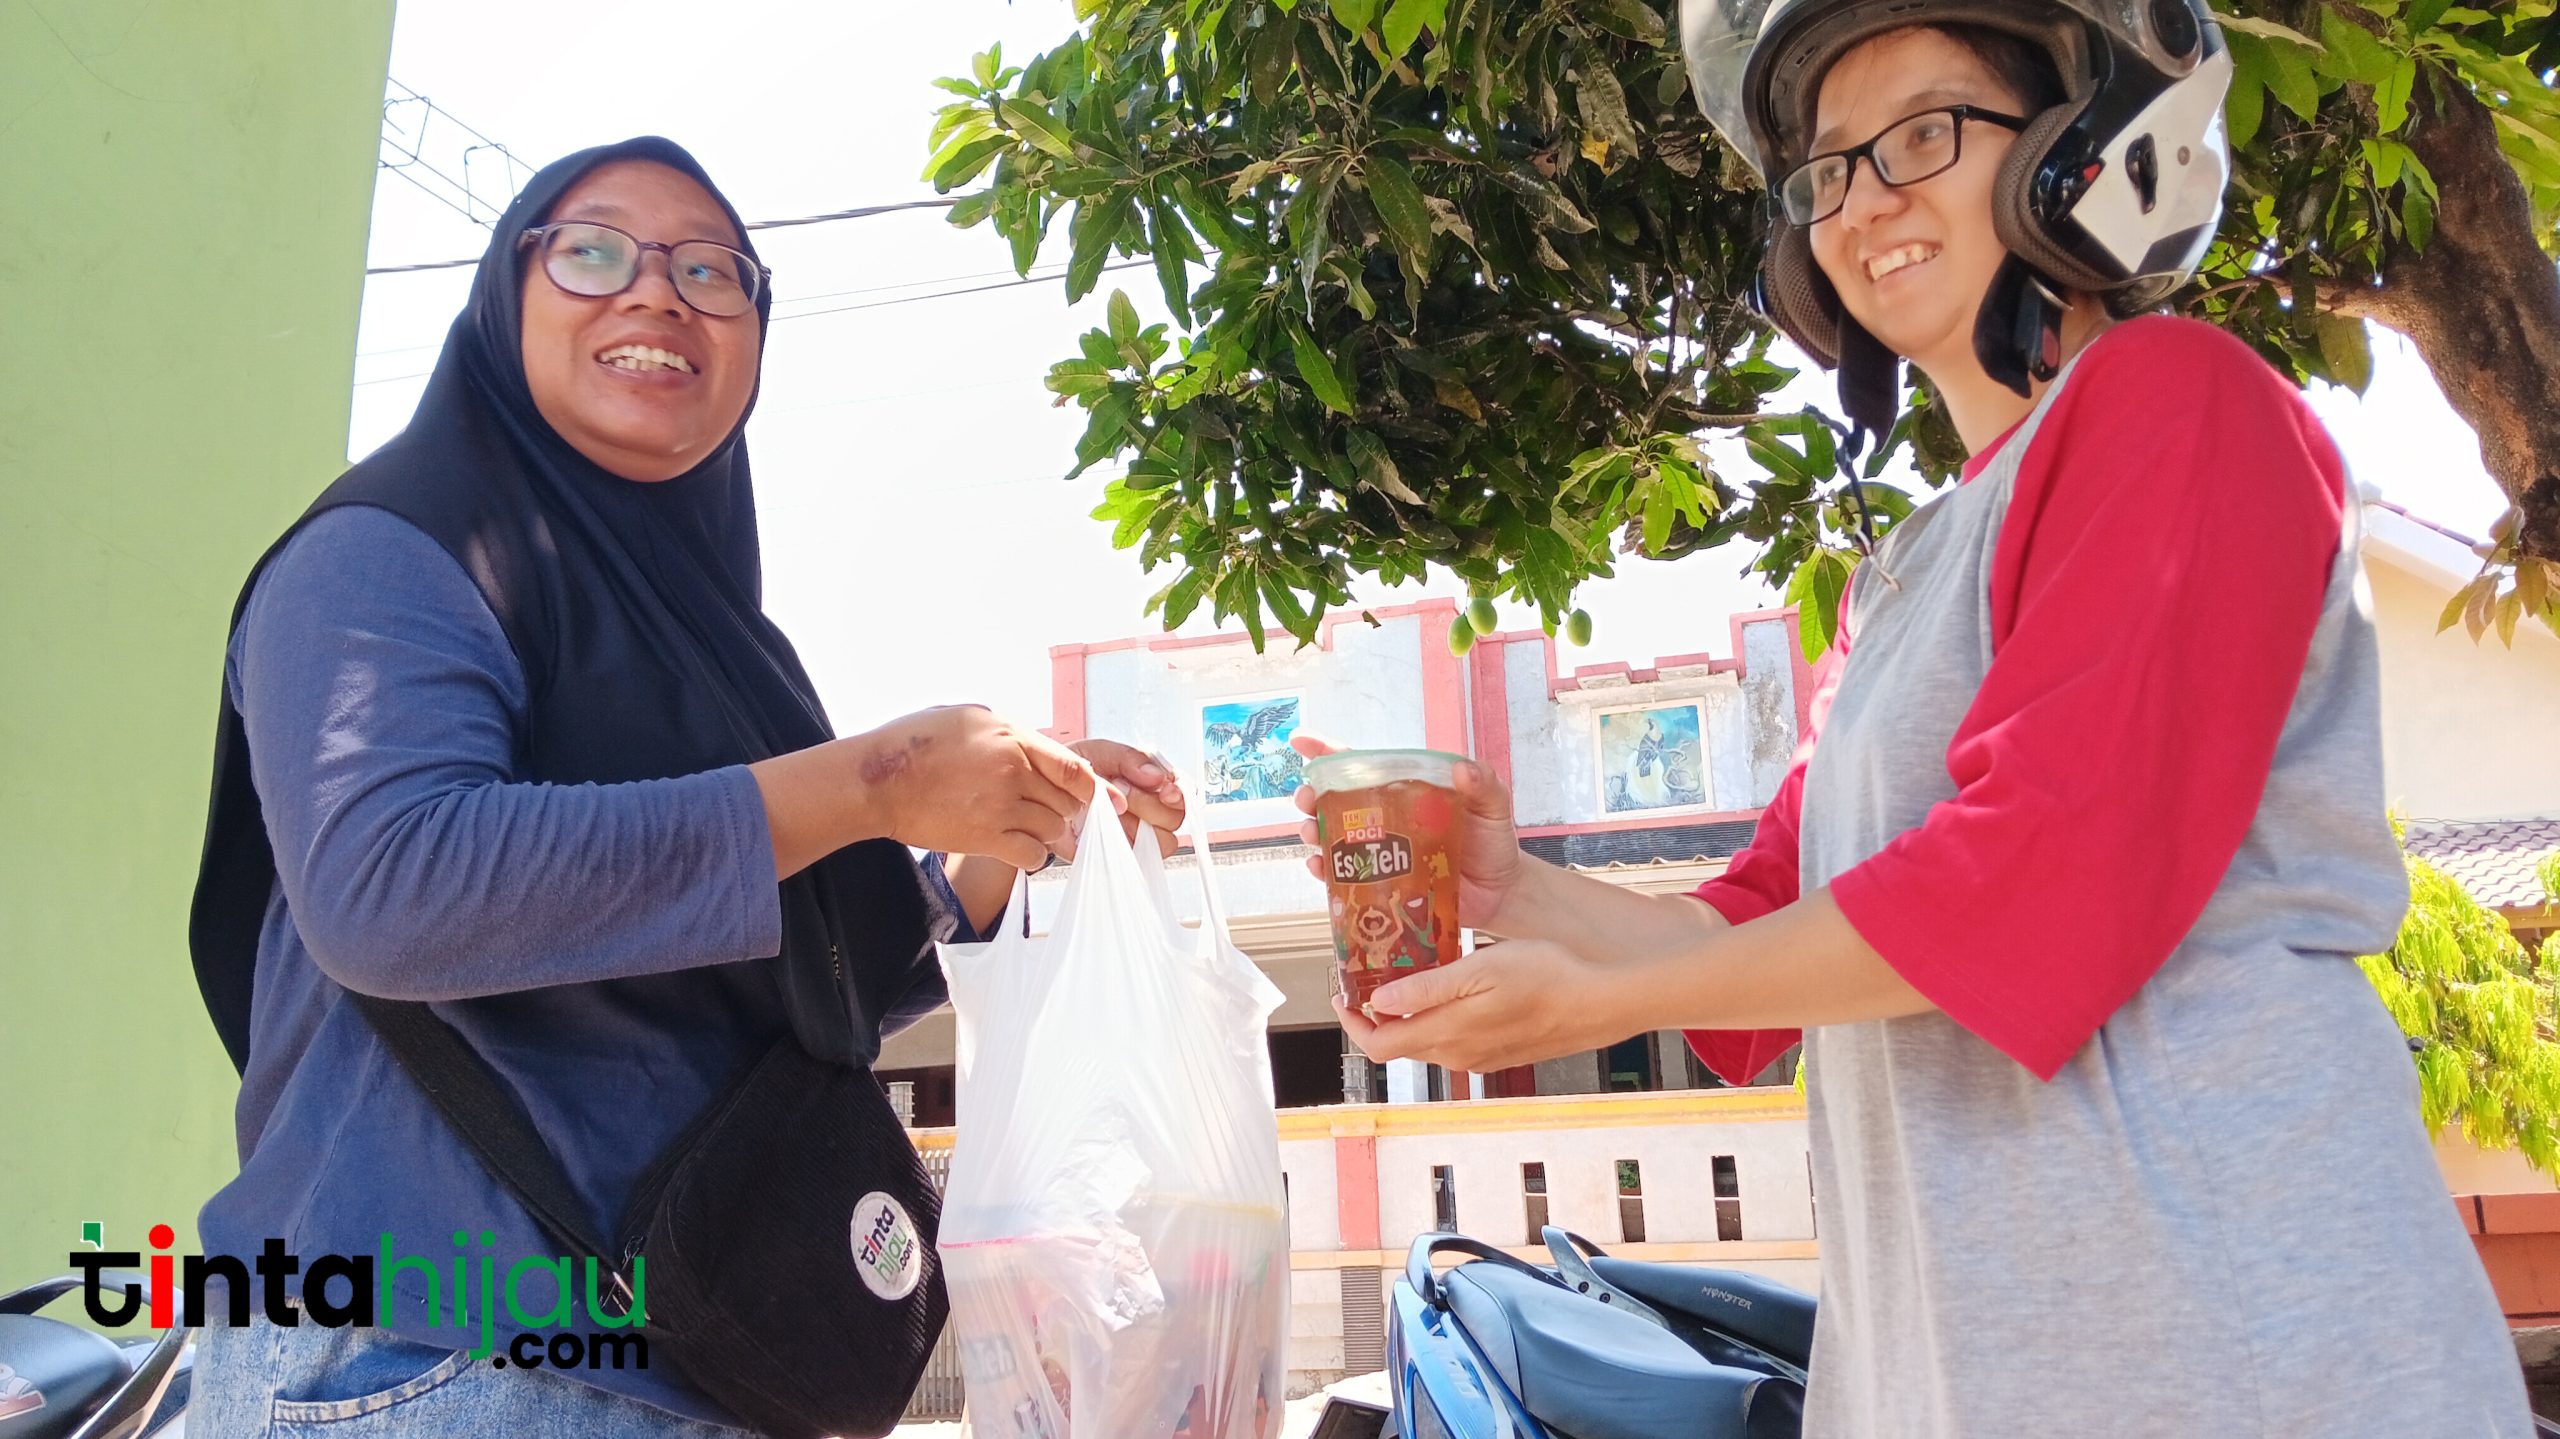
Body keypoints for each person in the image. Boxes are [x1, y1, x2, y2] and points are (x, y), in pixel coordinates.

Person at [1300, 3, 2534, 1432]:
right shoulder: (1903, 582)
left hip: (2238, 1348)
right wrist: (1500, 888)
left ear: (2074, 152)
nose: (1865, 197)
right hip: (1967, 1376)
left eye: (1924, 134)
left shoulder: (2175, 398)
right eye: (1828, 167)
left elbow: (2039, 876)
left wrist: (1608, 1002)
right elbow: (1750, 934)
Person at [185, 137, 1181, 1436]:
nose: (658, 294)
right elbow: (388, 888)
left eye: (711, 271)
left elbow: (815, 989)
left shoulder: (713, 651)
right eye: (593, 252)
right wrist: (873, 783)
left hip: (688, 1352)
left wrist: (1011, 832)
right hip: (427, 1351)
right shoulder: (390, 554)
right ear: (503, 301)